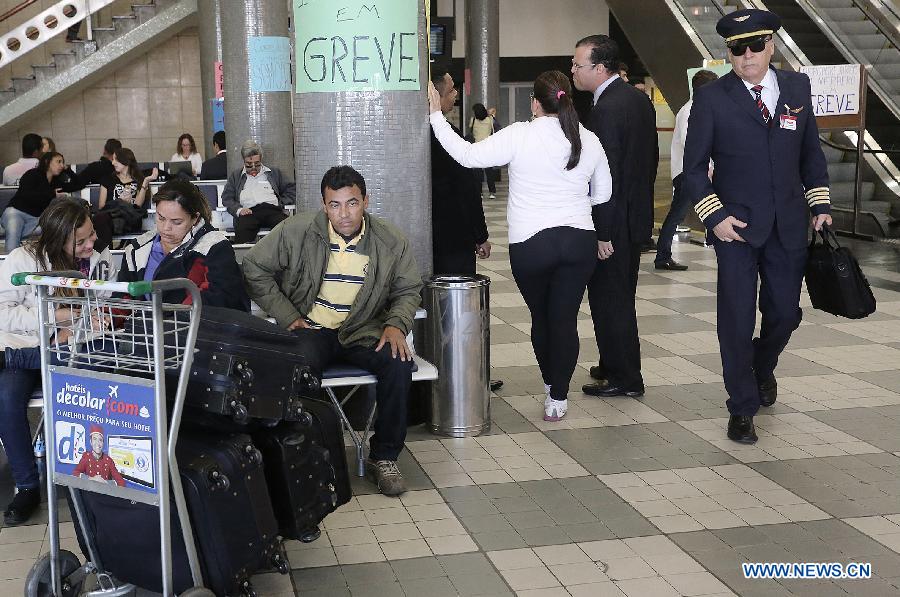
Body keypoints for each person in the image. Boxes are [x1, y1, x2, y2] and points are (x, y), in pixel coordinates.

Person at [683, 9, 831, 444]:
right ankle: (742, 406)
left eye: (754, 46)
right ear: (727, 53)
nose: (746, 56)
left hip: (788, 225)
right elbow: (693, 170)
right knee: (735, 318)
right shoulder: (712, 99)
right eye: (736, 49)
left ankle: (762, 367)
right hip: (737, 229)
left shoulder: (796, 87)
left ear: (771, 45)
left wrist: (818, 201)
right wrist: (715, 217)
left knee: (784, 313)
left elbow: (810, 152)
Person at [429, 71, 612, 422]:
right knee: (565, 319)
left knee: (541, 318)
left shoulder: (519, 135)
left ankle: (549, 384)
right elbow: (603, 195)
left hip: (531, 244)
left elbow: (466, 156)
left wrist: (437, 115)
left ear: (535, 102)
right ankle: (558, 397)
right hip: (578, 242)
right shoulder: (588, 139)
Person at [242, 166, 422, 495]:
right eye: (335, 205)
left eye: (352, 203)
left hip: (364, 329)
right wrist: (286, 314)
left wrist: (397, 324)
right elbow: (254, 267)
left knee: (398, 365)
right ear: (324, 205)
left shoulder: (389, 240)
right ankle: (310, 456)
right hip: (313, 328)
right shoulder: (296, 231)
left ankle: (384, 456)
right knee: (298, 367)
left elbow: (408, 289)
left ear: (365, 201)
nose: (344, 214)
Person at [0, 197, 117, 525]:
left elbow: (100, 306)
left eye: (92, 235)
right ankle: (26, 487)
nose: (91, 243)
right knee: (7, 401)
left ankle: (92, 476)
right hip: (25, 351)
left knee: (91, 392)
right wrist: (55, 317)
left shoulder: (95, 260)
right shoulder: (22, 259)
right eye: (82, 240)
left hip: (72, 349)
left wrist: (95, 320)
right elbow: (4, 315)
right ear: (58, 237)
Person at [573, 35, 658, 399]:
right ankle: (612, 362)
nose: (573, 71)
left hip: (614, 223)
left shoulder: (606, 109)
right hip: (634, 215)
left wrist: (602, 231)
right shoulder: (637, 99)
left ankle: (625, 376)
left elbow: (605, 178)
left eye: (579, 65)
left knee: (611, 300)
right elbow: (648, 162)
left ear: (601, 67)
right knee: (620, 294)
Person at [117, 179, 249, 310]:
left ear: (195, 218)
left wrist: (171, 318)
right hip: (147, 328)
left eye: (177, 222)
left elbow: (220, 297)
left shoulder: (214, 246)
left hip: (194, 328)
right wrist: (107, 318)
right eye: (161, 218)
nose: (166, 228)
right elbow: (122, 297)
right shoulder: (137, 249)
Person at [655, 69, 719, 271]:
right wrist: (708, 167)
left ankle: (712, 242)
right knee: (677, 214)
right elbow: (691, 144)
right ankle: (662, 255)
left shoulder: (699, 108)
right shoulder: (690, 111)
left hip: (694, 171)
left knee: (687, 211)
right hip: (687, 173)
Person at [430, 70, 491, 275]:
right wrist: (480, 235)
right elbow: (468, 188)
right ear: (435, 97)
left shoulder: (412, 132)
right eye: (451, 90)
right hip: (453, 238)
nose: (456, 93)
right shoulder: (449, 138)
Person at [2, 151, 81, 252]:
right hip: (17, 212)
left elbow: (77, 184)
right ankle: (10, 265)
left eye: (63, 162)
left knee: (53, 228)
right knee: (14, 231)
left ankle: (5, 227)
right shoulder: (32, 174)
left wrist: (68, 169)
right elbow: (27, 195)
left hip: (36, 220)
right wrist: (52, 194)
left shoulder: (56, 182)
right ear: (47, 161)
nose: (61, 165)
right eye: (59, 162)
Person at [220, 140, 295, 244]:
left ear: (261, 159)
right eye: (249, 165)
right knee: (243, 230)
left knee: (287, 227)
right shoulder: (236, 176)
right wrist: (239, 210)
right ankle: (244, 258)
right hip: (249, 212)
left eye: (257, 164)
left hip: (272, 210)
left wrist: (281, 202)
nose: (254, 168)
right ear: (244, 161)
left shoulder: (273, 173)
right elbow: (226, 198)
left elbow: (291, 189)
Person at [93, 147, 158, 249]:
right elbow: (102, 206)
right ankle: (107, 253)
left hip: (130, 219)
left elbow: (137, 205)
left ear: (125, 161)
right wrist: (119, 202)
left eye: (116, 160)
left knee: (102, 219)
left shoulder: (138, 180)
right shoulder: (108, 179)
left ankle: (107, 253)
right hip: (111, 219)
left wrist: (145, 182)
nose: (113, 163)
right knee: (101, 218)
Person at [470, 103, 498, 199]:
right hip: (487, 149)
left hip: (477, 148)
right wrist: (488, 113)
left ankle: (479, 192)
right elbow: (494, 109)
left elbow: (471, 132)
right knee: (489, 172)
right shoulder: (489, 119)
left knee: (477, 172)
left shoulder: (473, 120)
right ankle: (492, 192)